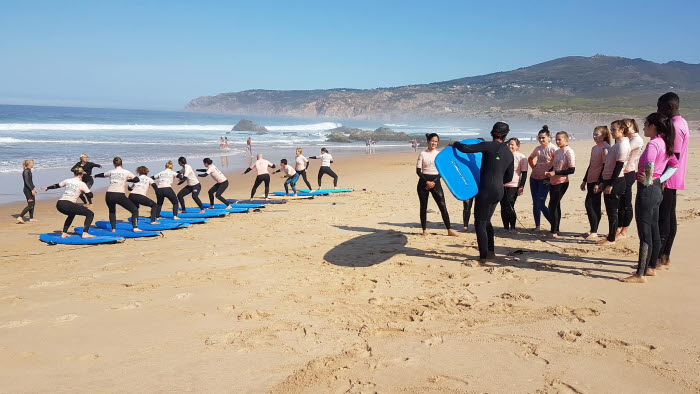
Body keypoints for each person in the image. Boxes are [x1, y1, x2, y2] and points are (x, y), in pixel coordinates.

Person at [621, 112, 678, 283]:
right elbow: (674, 165)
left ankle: (640, 273)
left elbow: (650, 164)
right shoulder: (665, 142)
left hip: (647, 191)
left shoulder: (654, 144)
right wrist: (659, 178)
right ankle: (651, 267)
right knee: (653, 230)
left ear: (653, 126)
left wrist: (648, 179)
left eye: (645, 124)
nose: (644, 127)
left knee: (645, 234)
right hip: (657, 190)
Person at [450, 122, 514, 262]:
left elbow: (466, 148)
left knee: (479, 222)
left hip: (486, 190)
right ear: (506, 135)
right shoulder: (509, 153)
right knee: (487, 222)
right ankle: (491, 252)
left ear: (492, 133)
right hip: (499, 191)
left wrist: (455, 144)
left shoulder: (489, 146)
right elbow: (508, 177)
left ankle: (483, 257)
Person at [657, 92, 689, 269]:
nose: (658, 111)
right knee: (670, 215)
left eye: (659, 107)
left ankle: (660, 257)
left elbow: (673, 158)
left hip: (669, 178)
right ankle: (665, 256)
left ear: (668, 107)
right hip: (675, 177)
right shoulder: (682, 121)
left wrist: (661, 180)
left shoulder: (675, 126)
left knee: (664, 218)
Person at [417, 133, 457, 237]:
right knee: (423, 207)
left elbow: (442, 171)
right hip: (423, 183)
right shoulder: (422, 154)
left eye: (436, 141)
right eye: (432, 141)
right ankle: (424, 230)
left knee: (442, 206)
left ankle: (449, 230)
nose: (434, 143)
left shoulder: (439, 155)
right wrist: (427, 182)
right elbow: (418, 171)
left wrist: (434, 182)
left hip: (436, 182)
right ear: (428, 141)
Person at [597, 121, 631, 246]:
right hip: (609, 180)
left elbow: (619, 166)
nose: (611, 132)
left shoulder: (623, 145)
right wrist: (602, 182)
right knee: (611, 211)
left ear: (622, 130)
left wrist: (610, 184)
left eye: (614, 130)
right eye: (611, 129)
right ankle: (611, 235)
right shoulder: (618, 144)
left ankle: (611, 239)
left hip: (616, 181)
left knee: (612, 212)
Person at [42, 168, 95, 239]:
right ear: (82, 174)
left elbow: (57, 185)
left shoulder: (68, 180)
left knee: (71, 214)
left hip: (60, 204)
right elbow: (90, 196)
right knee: (90, 214)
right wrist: (84, 191)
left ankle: (64, 233)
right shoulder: (82, 184)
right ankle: (85, 233)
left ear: (74, 174)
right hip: (68, 204)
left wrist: (47, 187)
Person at [94, 157, 141, 232]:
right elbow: (137, 179)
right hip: (119, 195)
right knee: (134, 210)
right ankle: (135, 228)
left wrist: (94, 176)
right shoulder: (126, 172)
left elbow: (103, 175)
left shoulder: (111, 171)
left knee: (112, 211)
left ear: (114, 164)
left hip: (109, 194)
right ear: (122, 163)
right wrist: (127, 179)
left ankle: (113, 229)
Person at [580, 126, 611, 240]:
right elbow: (591, 165)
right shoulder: (594, 148)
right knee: (595, 205)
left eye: (597, 134)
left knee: (590, 204)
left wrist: (599, 183)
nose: (594, 136)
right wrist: (584, 180)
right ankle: (593, 230)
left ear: (604, 135)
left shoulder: (606, 148)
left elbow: (605, 167)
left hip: (598, 181)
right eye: (593, 134)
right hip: (590, 179)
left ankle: (594, 231)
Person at [544, 132, 576, 238]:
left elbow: (571, 170)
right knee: (556, 205)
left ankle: (553, 231)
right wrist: (549, 176)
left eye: (560, 140)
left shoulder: (569, 151)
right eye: (556, 139)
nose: (557, 142)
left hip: (562, 183)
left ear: (566, 140)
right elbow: (554, 167)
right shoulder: (557, 151)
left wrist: (555, 173)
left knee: (552, 206)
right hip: (553, 182)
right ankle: (556, 229)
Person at [617, 118, 644, 239]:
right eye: (624, 127)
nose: (626, 129)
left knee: (626, 203)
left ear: (634, 127)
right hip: (623, 171)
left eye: (628, 126)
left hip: (628, 172)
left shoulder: (636, 140)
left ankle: (624, 231)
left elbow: (625, 153)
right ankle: (618, 228)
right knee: (620, 202)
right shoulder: (627, 139)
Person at [528, 126, 557, 230]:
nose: (541, 140)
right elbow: (530, 158)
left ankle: (554, 225)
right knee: (535, 203)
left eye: (543, 137)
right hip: (534, 178)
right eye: (539, 138)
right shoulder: (538, 148)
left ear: (549, 137)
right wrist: (533, 167)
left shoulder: (553, 148)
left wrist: (550, 177)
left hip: (545, 179)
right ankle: (537, 226)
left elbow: (556, 165)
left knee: (541, 203)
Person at [501, 138, 528, 231]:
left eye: (512, 144)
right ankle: (505, 227)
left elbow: (524, 173)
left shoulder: (521, 157)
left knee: (510, 205)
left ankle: (512, 226)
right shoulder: (502, 156)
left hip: (514, 185)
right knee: (503, 206)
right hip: (502, 184)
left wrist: (521, 186)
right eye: (509, 144)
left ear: (517, 146)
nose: (510, 146)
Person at [17, 159, 38, 223]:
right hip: (27, 190)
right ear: (29, 164)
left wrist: (34, 187)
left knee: (33, 204)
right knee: (30, 204)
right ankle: (20, 217)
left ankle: (31, 218)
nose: (33, 164)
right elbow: (26, 182)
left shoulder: (29, 171)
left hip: (30, 189)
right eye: (32, 163)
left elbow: (30, 181)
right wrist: (31, 189)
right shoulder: (26, 171)